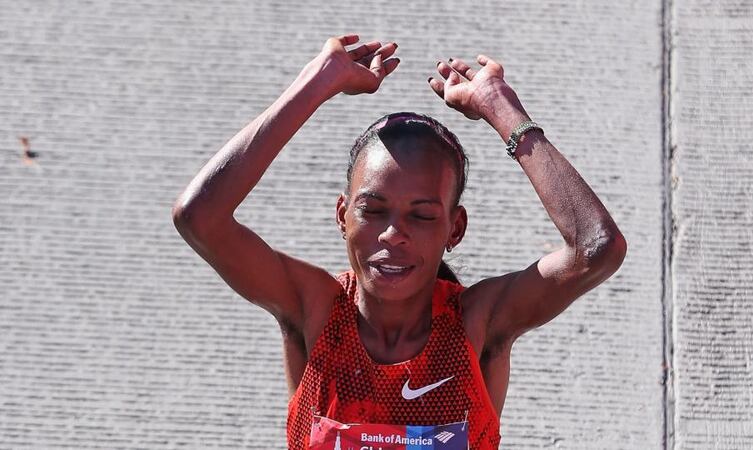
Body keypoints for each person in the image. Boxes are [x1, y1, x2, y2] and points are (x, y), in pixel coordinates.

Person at [172, 34, 627, 450]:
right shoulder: (314, 310)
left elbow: (596, 246)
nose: (394, 233)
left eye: (423, 215)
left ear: (455, 229)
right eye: (372, 210)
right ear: (342, 216)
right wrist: (317, 83)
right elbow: (199, 216)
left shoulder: (477, 324)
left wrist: (501, 108)